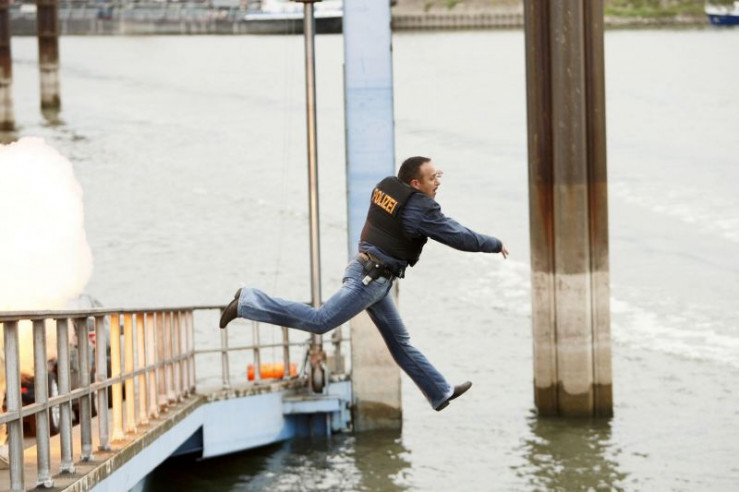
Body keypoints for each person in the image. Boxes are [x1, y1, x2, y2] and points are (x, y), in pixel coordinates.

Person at [220, 156, 508, 411]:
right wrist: (494, 244)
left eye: (438, 176)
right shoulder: (418, 209)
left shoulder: (388, 188)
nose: (438, 182)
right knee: (320, 321)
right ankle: (248, 302)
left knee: (400, 342)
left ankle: (439, 391)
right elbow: (458, 236)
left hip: (371, 273)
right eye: (433, 178)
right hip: (369, 279)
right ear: (415, 183)